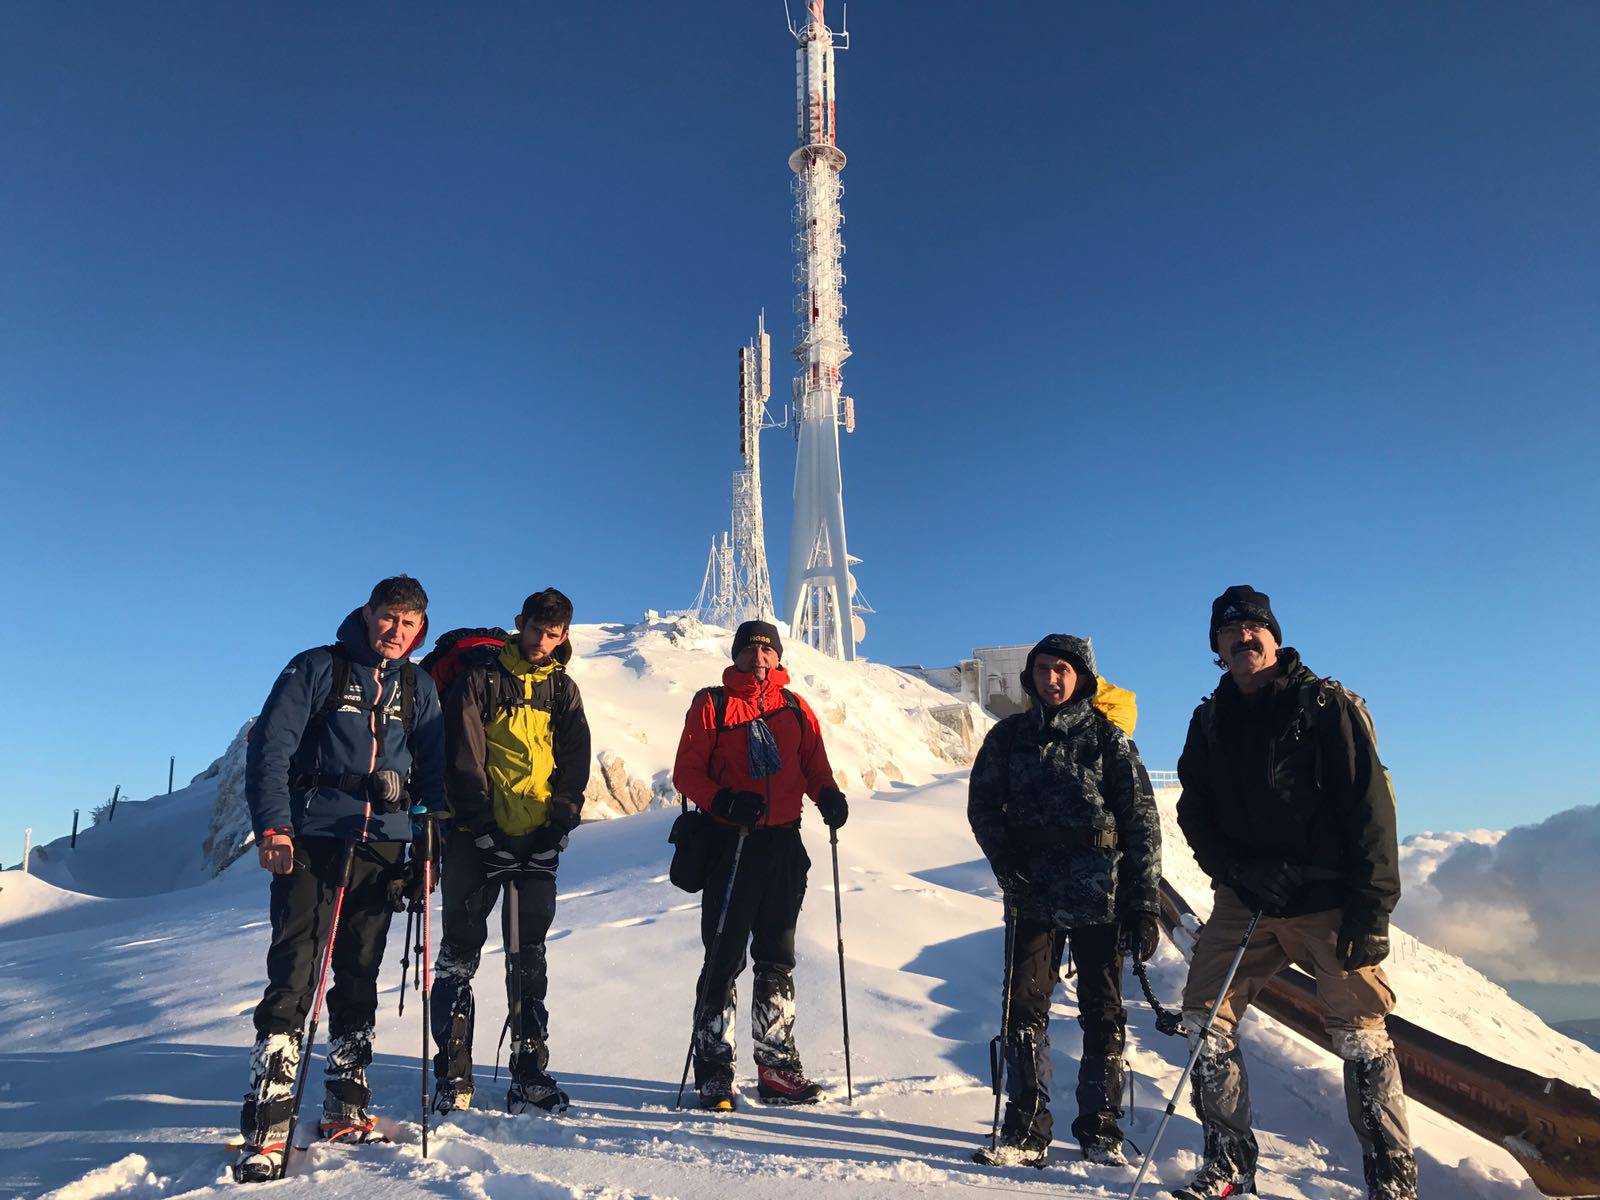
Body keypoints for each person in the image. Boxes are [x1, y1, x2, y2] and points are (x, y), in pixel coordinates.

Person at [1173, 586, 1415, 1200]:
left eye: (1255, 627)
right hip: (1246, 899)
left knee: (1362, 1031)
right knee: (1205, 1020)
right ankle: (1228, 1167)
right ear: (1216, 648)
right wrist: (1235, 870)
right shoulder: (1209, 721)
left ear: (1274, 637)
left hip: (1330, 900)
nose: (1244, 637)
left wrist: (1373, 908)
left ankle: (1391, 1181)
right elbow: (1194, 811)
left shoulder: (1325, 706)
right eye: (1230, 632)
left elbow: (1370, 809)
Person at [235, 575, 446, 1183]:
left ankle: (345, 1099)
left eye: (409, 625)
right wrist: (274, 828)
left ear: (419, 629)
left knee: (359, 970)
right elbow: (270, 749)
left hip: (383, 846)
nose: (396, 632)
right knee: (297, 968)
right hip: (313, 839)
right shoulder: (317, 668)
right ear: (368, 612)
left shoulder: (418, 686)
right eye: (388, 618)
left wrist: (427, 837)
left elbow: (432, 773)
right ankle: (268, 1120)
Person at [967, 633, 1162, 1168]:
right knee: (1023, 1008)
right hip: (1032, 896)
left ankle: (1099, 1130)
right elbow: (982, 805)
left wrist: (1143, 903)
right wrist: (1004, 860)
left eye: (1063, 670)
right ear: (1030, 676)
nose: (1052, 678)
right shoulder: (1008, 739)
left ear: (1082, 679)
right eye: (1043, 669)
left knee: (1102, 1012)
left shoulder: (1108, 739)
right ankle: (1026, 1129)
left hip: (1101, 895)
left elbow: (1142, 822)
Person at [671, 619, 847, 1111]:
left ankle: (776, 1069)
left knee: (777, 958)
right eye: (750, 649)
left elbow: (814, 762)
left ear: (779, 656)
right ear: (736, 655)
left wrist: (828, 795)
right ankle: (714, 1071)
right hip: (733, 844)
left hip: (783, 844)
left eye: (767, 650)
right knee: (723, 958)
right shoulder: (713, 704)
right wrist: (724, 802)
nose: (760, 657)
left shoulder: (794, 706)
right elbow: (687, 772)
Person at [430, 588, 592, 1116]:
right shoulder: (480, 679)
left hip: (535, 842)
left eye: (553, 633)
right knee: (459, 955)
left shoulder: (563, 691)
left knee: (529, 958)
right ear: (519, 623)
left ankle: (530, 1073)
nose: (542, 641)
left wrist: (558, 827)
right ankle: (453, 1076)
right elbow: (463, 757)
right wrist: (481, 832)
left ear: (564, 635)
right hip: (476, 843)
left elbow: (574, 762)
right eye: (535, 630)